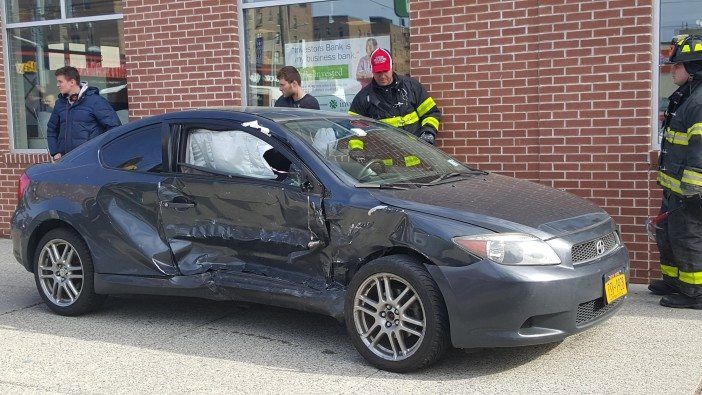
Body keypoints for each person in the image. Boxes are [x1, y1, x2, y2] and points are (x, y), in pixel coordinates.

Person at [650, 34, 702, 309]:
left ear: (693, 67)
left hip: (689, 190)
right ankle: (674, 282)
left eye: (676, 66)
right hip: (675, 187)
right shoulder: (686, 96)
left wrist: (694, 188)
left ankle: (695, 293)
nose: (671, 71)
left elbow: (700, 150)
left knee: (687, 238)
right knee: (668, 234)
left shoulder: (699, 102)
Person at [348, 48, 441, 144]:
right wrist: (356, 150)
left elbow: (431, 113)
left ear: (392, 67)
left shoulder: (411, 87)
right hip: (385, 155)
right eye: (378, 72)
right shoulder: (363, 97)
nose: (382, 76)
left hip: (417, 153)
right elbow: (355, 128)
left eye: (385, 71)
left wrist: (428, 132)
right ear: (372, 70)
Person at [47, 66, 121, 160]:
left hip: (90, 160)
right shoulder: (60, 104)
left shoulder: (95, 101)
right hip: (65, 161)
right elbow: (51, 129)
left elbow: (114, 127)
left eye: (60, 81)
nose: (57, 85)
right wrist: (55, 152)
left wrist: (104, 152)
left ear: (72, 82)